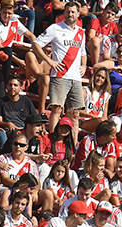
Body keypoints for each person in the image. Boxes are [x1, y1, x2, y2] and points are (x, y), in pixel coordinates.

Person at [32, 2, 87, 133]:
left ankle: (72, 148)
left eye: (73, 12)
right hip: (60, 76)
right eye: (68, 12)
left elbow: (83, 52)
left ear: (78, 14)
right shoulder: (55, 28)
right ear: (64, 13)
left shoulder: (81, 32)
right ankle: (53, 143)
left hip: (76, 78)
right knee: (56, 110)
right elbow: (35, 45)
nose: (70, 14)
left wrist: (84, 65)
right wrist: (49, 61)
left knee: (75, 114)